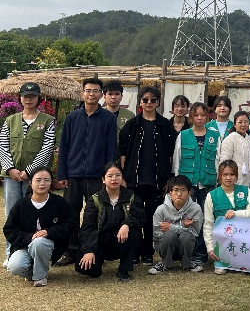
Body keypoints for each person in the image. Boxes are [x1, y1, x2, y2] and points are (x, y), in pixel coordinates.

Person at [56, 77, 117, 266]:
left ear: (101, 95)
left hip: (97, 175)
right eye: (88, 90)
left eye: (95, 91)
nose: (91, 94)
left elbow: (111, 150)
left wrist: (107, 175)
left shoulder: (108, 118)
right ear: (82, 93)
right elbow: (64, 147)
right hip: (73, 174)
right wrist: (62, 174)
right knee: (71, 212)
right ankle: (71, 249)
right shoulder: (72, 117)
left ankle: (94, 249)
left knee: (96, 213)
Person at [119, 85, 176, 265]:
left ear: (158, 102)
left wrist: (168, 179)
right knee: (135, 216)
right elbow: (123, 152)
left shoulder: (165, 125)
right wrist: (123, 177)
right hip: (134, 180)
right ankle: (134, 251)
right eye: (145, 100)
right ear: (140, 102)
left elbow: (171, 154)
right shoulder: (132, 125)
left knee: (152, 217)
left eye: (153, 100)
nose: (149, 103)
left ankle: (148, 252)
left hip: (157, 181)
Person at [0, 81, 55, 264]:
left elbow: (47, 148)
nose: (28, 99)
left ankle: (32, 250)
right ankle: (11, 253)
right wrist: (10, 169)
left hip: (35, 177)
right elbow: (3, 146)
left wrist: (29, 171)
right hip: (11, 177)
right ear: (20, 98)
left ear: (39, 98)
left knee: (34, 212)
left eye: (32, 96)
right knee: (12, 213)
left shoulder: (48, 121)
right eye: (25, 96)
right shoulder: (10, 120)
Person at [4, 166, 79, 287]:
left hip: (49, 245)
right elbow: (10, 229)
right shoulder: (22, 204)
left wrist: (49, 232)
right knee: (14, 267)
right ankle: (34, 272)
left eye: (46, 180)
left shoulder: (59, 202)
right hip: (25, 245)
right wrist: (30, 236)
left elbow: (71, 224)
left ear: (51, 182)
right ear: (30, 182)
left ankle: (40, 277)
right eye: (38, 180)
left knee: (39, 242)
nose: (42, 183)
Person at [75, 161, 145, 281]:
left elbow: (140, 218)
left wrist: (126, 224)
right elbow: (88, 228)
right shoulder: (95, 200)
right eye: (110, 176)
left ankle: (124, 269)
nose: (114, 179)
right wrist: (89, 250)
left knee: (133, 232)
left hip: (121, 241)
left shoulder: (131, 197)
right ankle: (99, 260)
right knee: (85, 268)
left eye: (118, 175)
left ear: (122, 178)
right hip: (99, 242)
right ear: (103, 179)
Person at [172, 101, 219, 271]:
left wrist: (218, 181)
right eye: (196, 115)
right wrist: (177, 183)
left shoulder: (214, 135)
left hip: (208, 183)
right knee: (188, 219)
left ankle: (201, 254)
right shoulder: (183, 135)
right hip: (188, 184)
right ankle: (187, 253)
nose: (199, 118)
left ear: (208, 117)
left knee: (206, 219)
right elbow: (177, 160)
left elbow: (218, 159)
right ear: (191, 117)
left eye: (203, 115)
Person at [204, 160, 250, 275]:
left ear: (236, 176)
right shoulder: (211, 196)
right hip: (222, 241)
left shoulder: (246, 191)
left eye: (232, 174)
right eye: (225, 174)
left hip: (243, 238)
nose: (228, 178)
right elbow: (208, 224)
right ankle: (223, 261)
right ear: (219, 176)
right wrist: (210, 248)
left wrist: (236, 213)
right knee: (221, 271)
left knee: (246, 268)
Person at [148, 174, 203, 274]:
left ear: (189, 193)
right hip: (165, 245)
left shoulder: (195, 209)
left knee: (186, 236)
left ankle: (187, 263)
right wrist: (182, 225)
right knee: (169, 235)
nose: (179, 194)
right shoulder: (161, 209)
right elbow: (157, 234)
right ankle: (165, 262)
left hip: (186, 245)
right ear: (170, 192)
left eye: (183, 190)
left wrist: (172, 227)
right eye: (176, 190)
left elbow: (195, 232)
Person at [219, 110, 250, 195]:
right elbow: (225, 163)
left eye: (246, 122)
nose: (243, 124)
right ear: (235, 124)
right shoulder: (229, 140)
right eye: (240, 122)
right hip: (234, 185)